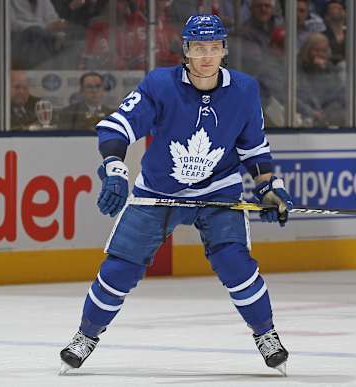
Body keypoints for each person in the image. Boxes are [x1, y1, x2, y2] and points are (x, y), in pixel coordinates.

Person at [59, 14, 293, 376]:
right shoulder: (160, 84)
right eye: (198, 48)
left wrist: (268, 187)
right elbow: (118, 125)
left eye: (213, 48)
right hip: (158, 191)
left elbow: (254, 150)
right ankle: (86, 335)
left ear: (223, 51)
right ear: (185, 50)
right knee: (120, 268)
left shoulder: (245, 90)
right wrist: (116, 167)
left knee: (235, 264)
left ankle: (266, 334)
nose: (206, 56)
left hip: (218, 192)